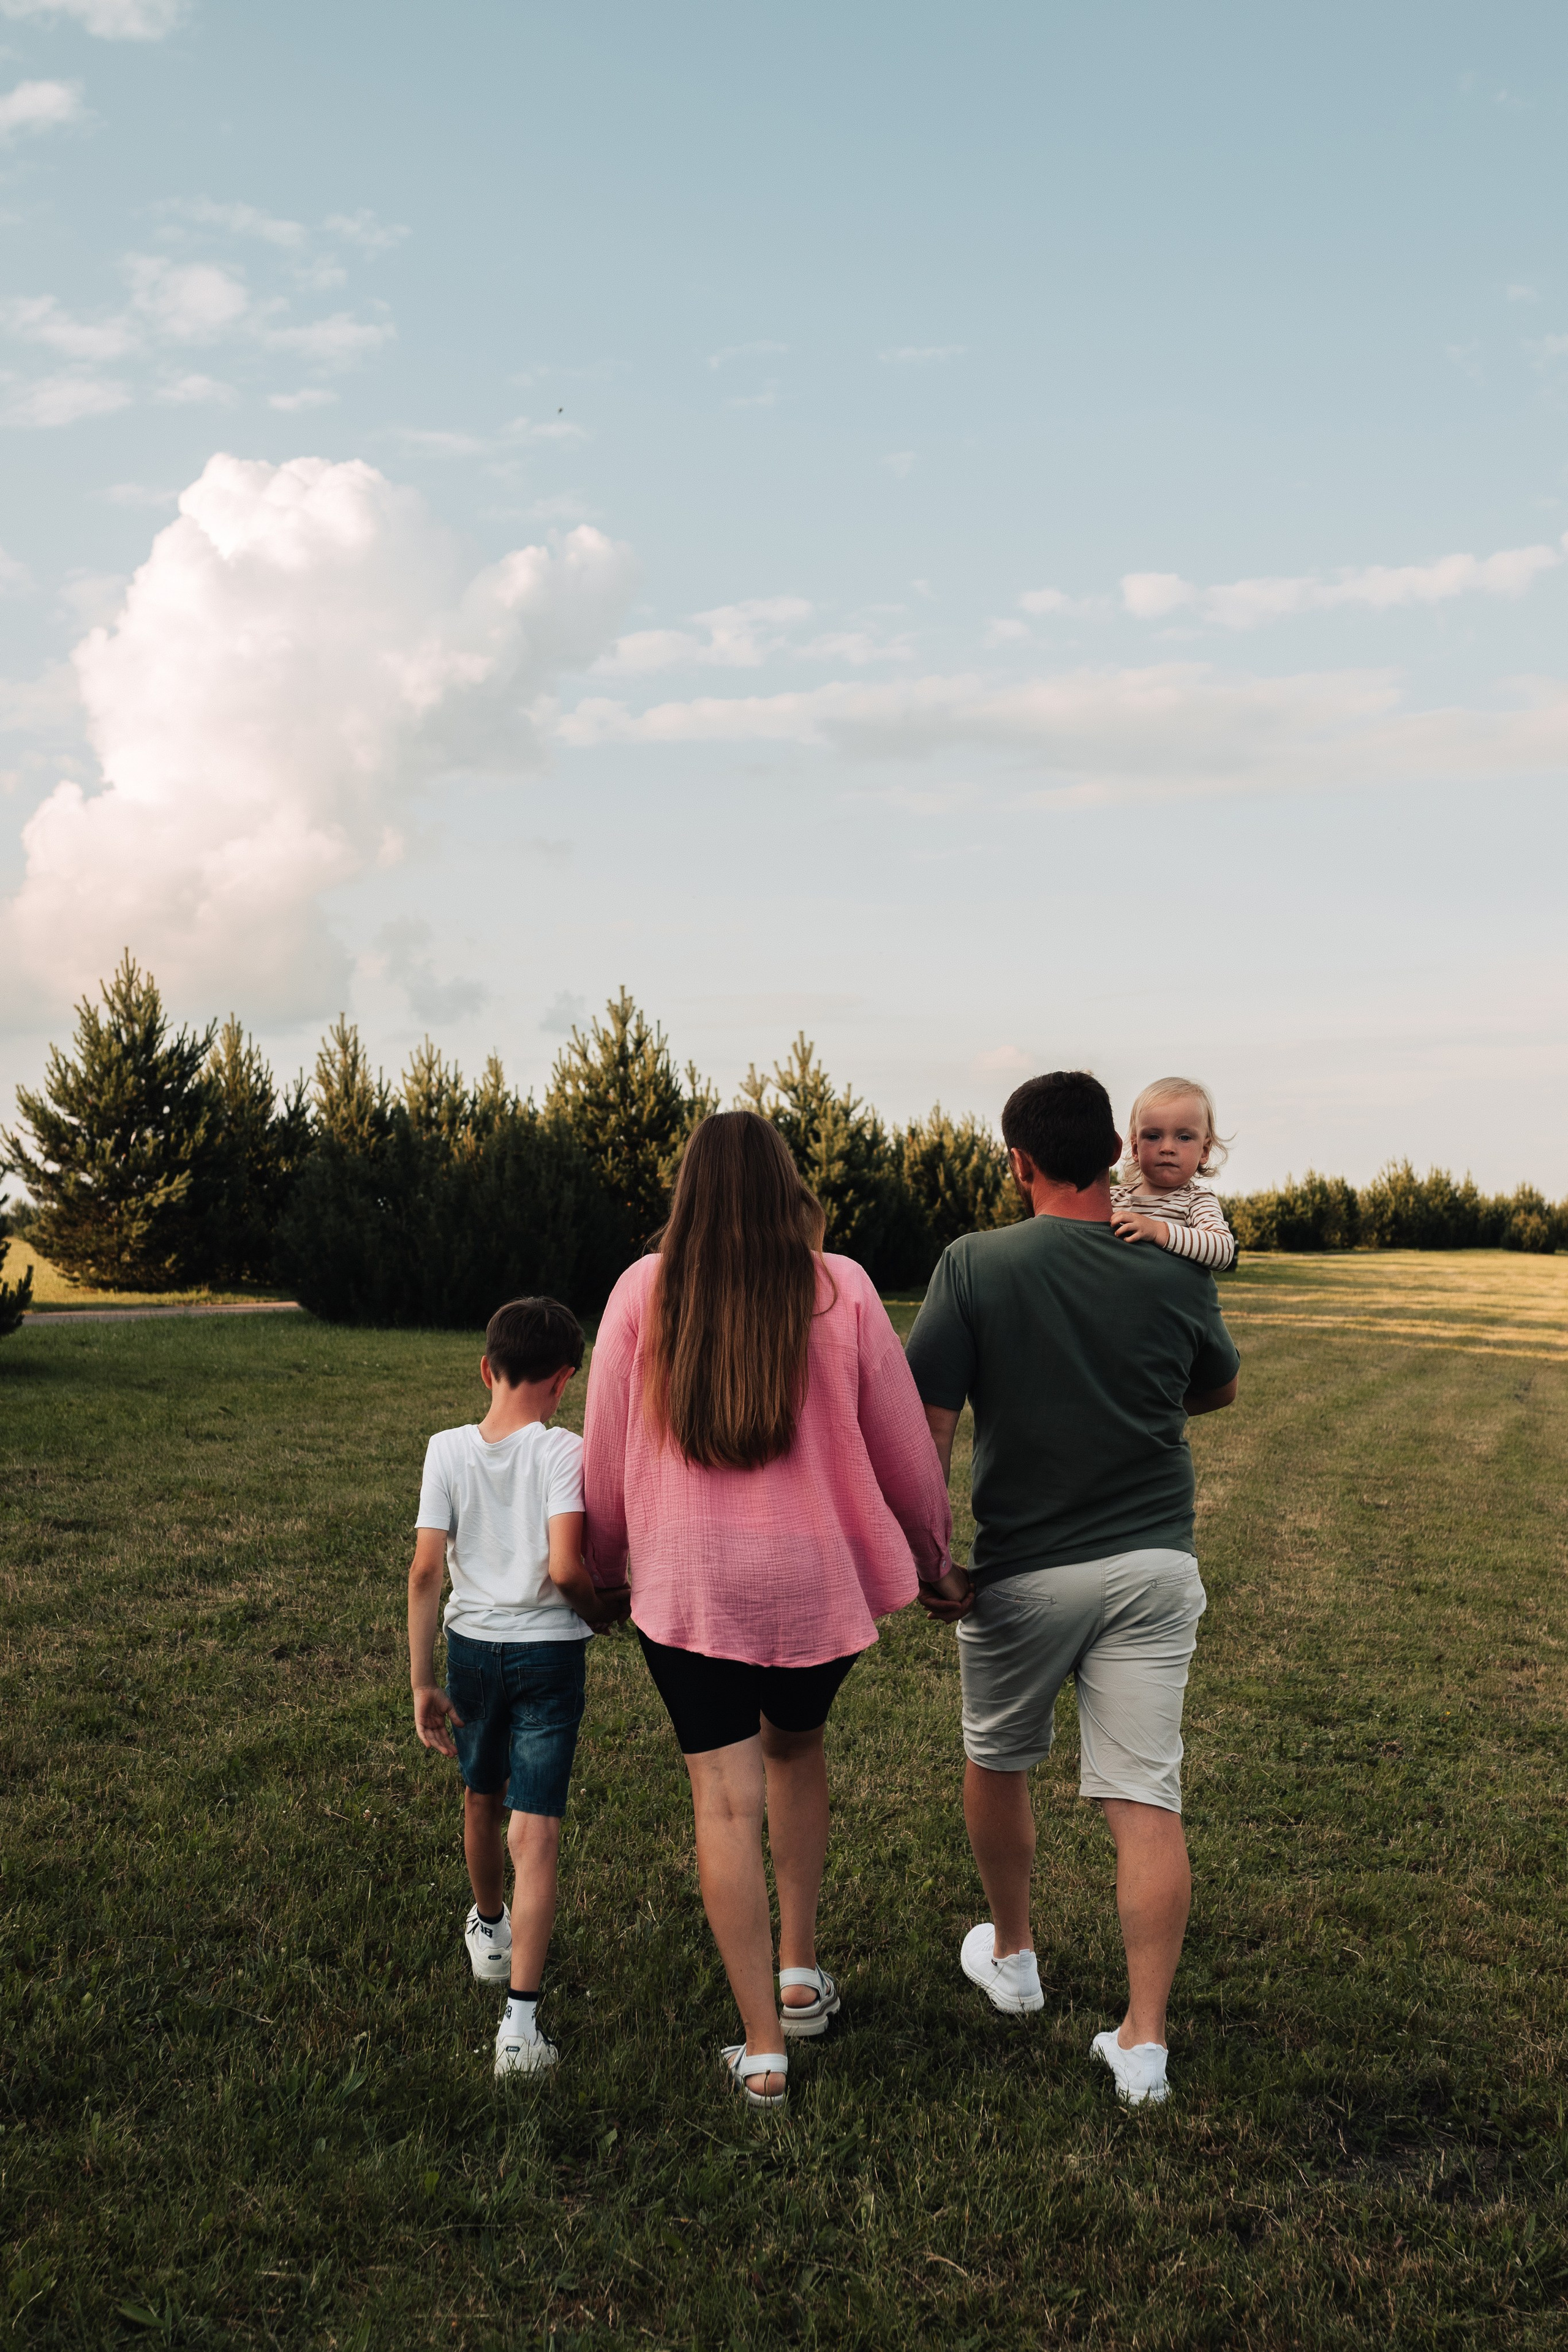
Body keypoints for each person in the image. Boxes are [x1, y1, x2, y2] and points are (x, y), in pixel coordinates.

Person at [582, 1110, 966, 2108]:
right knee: (795, 1751)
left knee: (723, 1800)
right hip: (814, 1588)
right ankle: (799, 1972)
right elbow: (906, 1453)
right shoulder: (842, 1288)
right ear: (788, 1186)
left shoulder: (642, 1290)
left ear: (690, 1192)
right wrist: (934, 1561)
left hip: (689, 1589)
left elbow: (605, 1456)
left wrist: (605, 1572)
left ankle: (763, 2051)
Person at [905, 1070, 1239, 2107]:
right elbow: (1219, 1385)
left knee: (998, 1757)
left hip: (1026, 1573)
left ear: (1020, 1162)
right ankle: (1144, 2044)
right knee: (1146, 1800)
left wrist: (933, 1560)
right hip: (1156, 1566)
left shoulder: (974, 1264)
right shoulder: (1175, 1259)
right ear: (1115, 1151)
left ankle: (1014, 1958)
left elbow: (927, 1426)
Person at [407, 1295, 630, 2078]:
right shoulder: (563, 1451)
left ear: (485, 1369)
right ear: (564, 1380)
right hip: (548, 1657)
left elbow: (425, 1571)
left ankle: (490, 1927)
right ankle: (521, 2029)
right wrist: (604, 1613)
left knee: (481, 1793)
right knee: (535, 1831)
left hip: (470, 1652)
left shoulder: (444, 1449)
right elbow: (567, 1569)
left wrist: (422, 1682)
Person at [1110, 1076, 1235, 1270]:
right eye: (1153, 1136)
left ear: (1204, 1151)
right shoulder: (1112, 1198)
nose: (1167, 1148)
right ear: (1135, 1149)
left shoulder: (1196, 1200)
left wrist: (1156, 1230)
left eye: (1184, 1137)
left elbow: (1223, 1250)